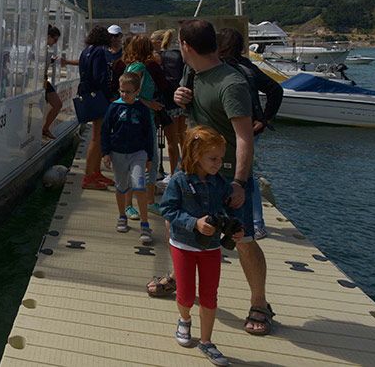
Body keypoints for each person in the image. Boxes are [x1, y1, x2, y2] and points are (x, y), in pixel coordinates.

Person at [174, 19, 273, 336]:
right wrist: (181, 98)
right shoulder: (194, 75)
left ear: (187, 46)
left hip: (226, 177)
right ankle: (178, 279)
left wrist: (240, 184)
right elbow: (192, 116)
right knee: (177, 226)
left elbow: (244, 137)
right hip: (193, 172)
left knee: (242, 240)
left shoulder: (230, 83)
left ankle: (259, 302)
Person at [160, 126, 240, 366]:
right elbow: (167, 209)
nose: (218, 164)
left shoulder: (220, 183)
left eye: (220, 159)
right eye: (213, 159)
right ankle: (184, 320)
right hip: (183, 245)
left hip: (211, 248)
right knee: (185, 294)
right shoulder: (179, 181)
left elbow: (228, 207)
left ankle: (206, 341)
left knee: (209, 294)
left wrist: (235, 226)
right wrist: (194, 223)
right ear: (196, 156)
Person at [216, 27, 283, 240]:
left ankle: (254, 222)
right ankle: (254, 222)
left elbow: (275, 91)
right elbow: (275, 90)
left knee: (241, 174)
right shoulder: (248, 66)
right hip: (252, 126)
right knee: (245, 172)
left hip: (232, 127)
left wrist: (264, 120)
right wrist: (265, 119)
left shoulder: (224, 68)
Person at [113, 34, 169, 217]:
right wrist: (150, 103)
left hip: (143, 118)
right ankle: (130, 204)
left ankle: (149, 201)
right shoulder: (139, 67)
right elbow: (128, 94)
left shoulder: (134, 66)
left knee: (150, 161)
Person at [103, 71, 155, 245]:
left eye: (128, 92)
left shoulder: (142, 109)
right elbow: (106, 130)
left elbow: (149, 134)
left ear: (137, 91)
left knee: (139, 185)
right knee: (121, 187)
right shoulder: (114, 107)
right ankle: (122, 215)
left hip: (138, 153)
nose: (124, 95)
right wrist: (105, 152)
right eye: (122, 91)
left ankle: (145, 224)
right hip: (118, 153)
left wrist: (150, 156)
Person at [77, 26, 115, 189]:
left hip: (87, 94)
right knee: (97, 136)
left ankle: (95, 172)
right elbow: (100, 76)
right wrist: (110, 95)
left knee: (98, 135)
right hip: (98, 96)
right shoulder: (100, 51)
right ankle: (88, 177)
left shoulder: (86, 51)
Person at [154, 28, 187, 178]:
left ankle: (174, 175)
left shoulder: (157, 57)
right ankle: (186, 170)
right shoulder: (178, 55)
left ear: (158, 42)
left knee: (171, 142)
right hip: (180, 101)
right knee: (182, 139)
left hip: (166, 102)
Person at [42, 24, 77, 139]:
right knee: (55, 105)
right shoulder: (40, 48)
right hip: (41, 82)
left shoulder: (45, 48)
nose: (55, 42)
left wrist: (52, 60)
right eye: (55, 39)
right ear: (48, 36)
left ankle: (45, 129)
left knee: (57, 105)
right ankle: (44, 129)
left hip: (44, 81)